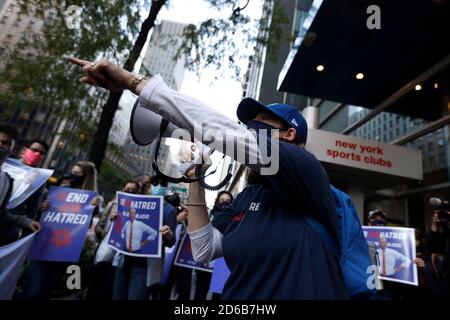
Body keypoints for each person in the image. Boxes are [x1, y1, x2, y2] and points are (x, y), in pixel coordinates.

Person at [68, 57, 348, 299]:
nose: (252, 128)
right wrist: (194, 180)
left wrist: (133, 82)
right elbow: (204, 248)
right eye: (250, 125)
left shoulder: (307, 169)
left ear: (290, 134)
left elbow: (234, 137)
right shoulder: (250, 197)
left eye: (263, 121)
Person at [23, 161, 98, 300]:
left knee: (47, 291)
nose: (72, 175)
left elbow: (85, 226)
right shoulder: (60, 189)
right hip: (44, 246)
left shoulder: (91, 200)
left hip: (63, 252)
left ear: (86, 177)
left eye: (77, 173)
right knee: (33, 291)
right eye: (72, 171)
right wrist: (42, 208)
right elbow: (40, 218)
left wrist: (90, 209)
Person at [111, 177, 177, 300]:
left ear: (166, 188)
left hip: (145, 266)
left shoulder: (169, 210)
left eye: (162, 184)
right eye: (155, 183)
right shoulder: (132, 202)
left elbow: (171, 242)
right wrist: (114, 219)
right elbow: (119, 230)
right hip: (123, 261)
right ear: (149, 186)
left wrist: (168, 234)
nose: (158, 186)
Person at [87, 180, 140, 300]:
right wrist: (111, 223)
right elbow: (99, 226)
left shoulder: (139, 210)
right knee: (95, 285)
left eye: (133, 190)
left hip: (121, 257)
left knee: (109, 290)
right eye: (127, 189)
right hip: (104, 253)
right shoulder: (112, 204)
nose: (130, 192)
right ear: (122, 189)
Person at [1, 138, 49, 245]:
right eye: (34, 150)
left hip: (11, 229)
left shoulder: (40, 178)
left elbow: (32, 209)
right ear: (24, 150)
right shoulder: (5, 164)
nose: (37, 154)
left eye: (41, 153)